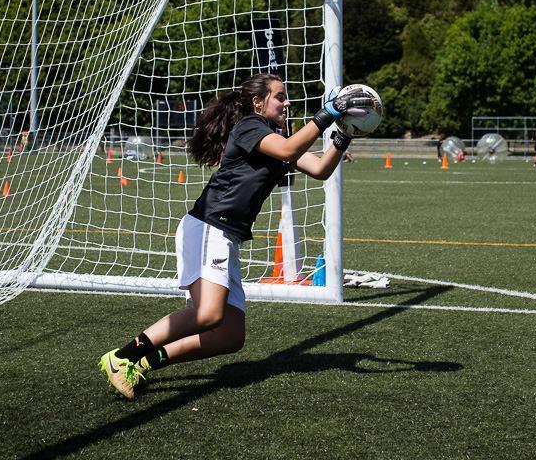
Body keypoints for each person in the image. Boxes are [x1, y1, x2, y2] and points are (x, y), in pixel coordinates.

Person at [98, 73, 372, 400]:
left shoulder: (275, 135)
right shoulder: (250, 127)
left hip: (224, 235)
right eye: (280, 97)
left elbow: (320, 169)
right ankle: (122, 356)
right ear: (258, 103)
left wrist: (344, 136)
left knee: (229, 336)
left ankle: (143, 363)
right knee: (208, 314)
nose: (287, 103)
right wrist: (327, 113)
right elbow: (287, 149)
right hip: (207, 227)